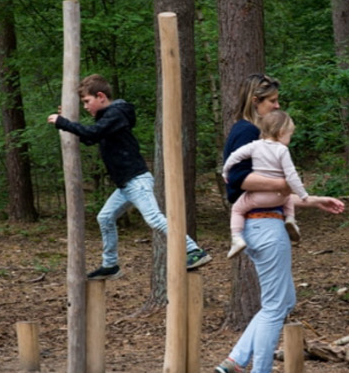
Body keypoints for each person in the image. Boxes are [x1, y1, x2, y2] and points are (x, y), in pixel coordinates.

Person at [48, 74, 210, 280]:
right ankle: (110, 265)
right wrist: (68, 123)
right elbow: (90, 137)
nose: (86, 107)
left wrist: (63, 122)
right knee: (105, 218)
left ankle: (194, 250)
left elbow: (93, 133)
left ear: (100, 97)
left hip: (137, 180)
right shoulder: (109, 119)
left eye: (87, 102)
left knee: (154, 219)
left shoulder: (116, 114)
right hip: (126, 184)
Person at [212, 187, 346, 373]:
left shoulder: (259, 164)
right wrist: (288, 179)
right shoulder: (255, 155)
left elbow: (274, 193)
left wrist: (312, 200)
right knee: (275, 306)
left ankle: (236, 362)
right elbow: (271, 186)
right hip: (266, 228)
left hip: (263, 226)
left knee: (285, 302)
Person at [221, 110, 307, 258]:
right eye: (290, 135)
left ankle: (236, 238)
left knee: (237, 209)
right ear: (281, 133)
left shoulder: (254, 146)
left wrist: (225, 171)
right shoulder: (282, 150)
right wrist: (303, 194)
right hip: (279, 198)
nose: (290, 139)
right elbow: (291, 176)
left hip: (258, 199)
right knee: (287, 197)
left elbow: (234, 156)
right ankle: (291, 219)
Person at [222, 73, 292, 208]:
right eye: (272, 101)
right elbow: (237, 177)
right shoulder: (247, 131)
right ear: (255, 101)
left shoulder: (253, 131)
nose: (277, 106)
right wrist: (283, 183)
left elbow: (269, 195)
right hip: (255, 217)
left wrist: (313, 200)